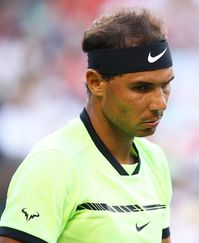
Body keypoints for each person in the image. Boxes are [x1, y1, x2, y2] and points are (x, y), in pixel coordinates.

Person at [0, 7, 174, 243]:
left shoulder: (156, 161)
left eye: (165, 85)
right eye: (141, 88)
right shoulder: (54, 163)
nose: (160, 103)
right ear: (96, 82)